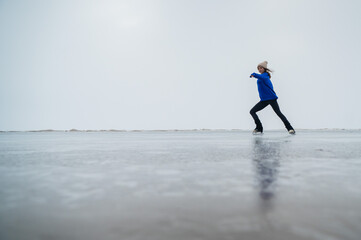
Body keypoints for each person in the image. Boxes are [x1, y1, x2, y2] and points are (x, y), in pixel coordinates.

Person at [249, 61, 295, 134]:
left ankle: (290, 128)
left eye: (261, 68)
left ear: (264, 69)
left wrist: (254, 74)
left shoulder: (265, 76)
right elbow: (260, 78)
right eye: (258, 68)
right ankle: (259, 128)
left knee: (278, 113)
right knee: (252, 111)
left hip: (271, 98)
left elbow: (261, 77)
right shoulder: (261, 77)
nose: (259, 69)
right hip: (264, 100)